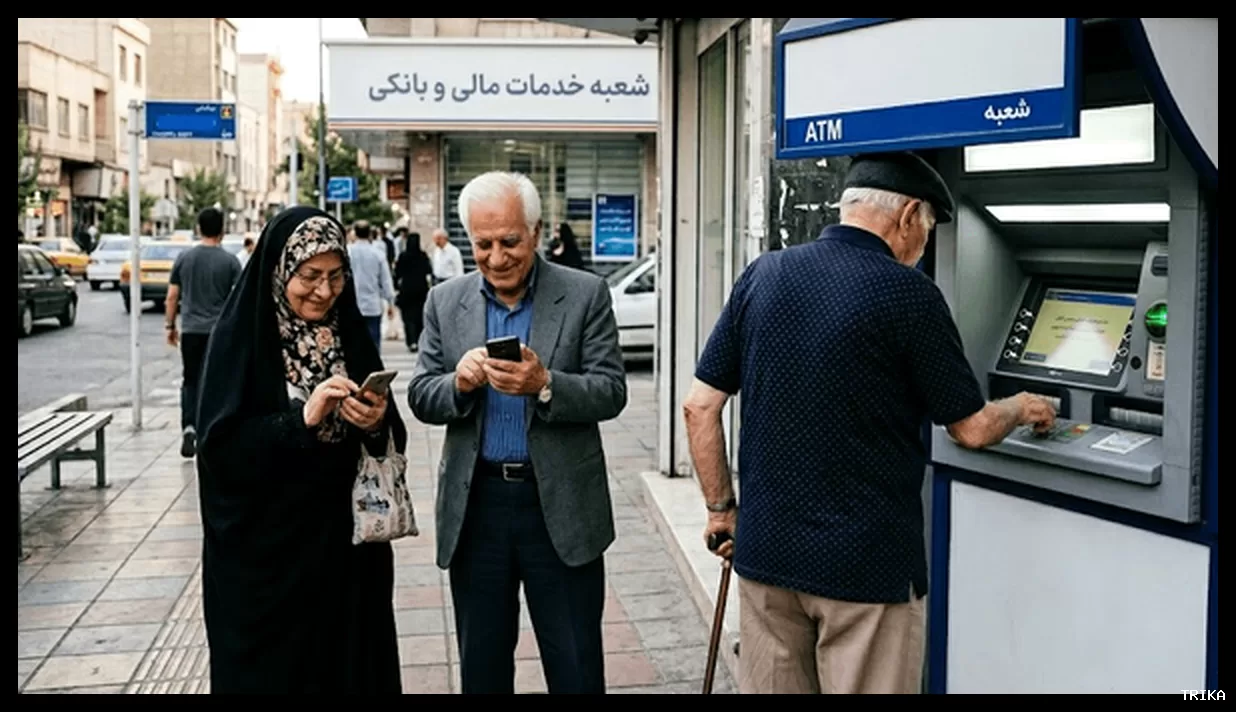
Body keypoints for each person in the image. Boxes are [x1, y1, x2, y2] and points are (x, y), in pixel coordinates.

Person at [683, 151, 1057, 695]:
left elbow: (699, 406)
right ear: (907, 216)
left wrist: (722, 511)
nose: (924, 244)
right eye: (928, 228)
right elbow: (972, 428)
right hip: (866, 573)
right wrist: (1021, 406)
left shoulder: (764, 274)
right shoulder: (909, 294)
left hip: (767, 560)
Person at [408, 171, 628, 694]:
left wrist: (545, 384)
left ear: (536, 232)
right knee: (482, 669)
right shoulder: (445, 301)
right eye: (483, 244)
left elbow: (611, 390)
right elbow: (420, 394)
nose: (497, 257)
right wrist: (458, 384)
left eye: (510, 241)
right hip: (478, 507)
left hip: (560, 507)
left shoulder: (584, 294)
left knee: (575, 666)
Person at [193, 206, 405, 694]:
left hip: (348, 561)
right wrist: (301, 420)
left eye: (335, 276)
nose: (324, 291)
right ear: (279, 270)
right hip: (268, 565)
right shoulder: (240, 340)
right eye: (309, 276)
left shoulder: (349, 335)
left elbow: (389, 435)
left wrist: (374, 423)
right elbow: (220, 452)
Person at [166, 207, 242, 458]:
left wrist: (170, 326)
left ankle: (190, 426)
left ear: (199, 228)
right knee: (218, 380)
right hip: (219, 333)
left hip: (191, 331)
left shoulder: (184, 258)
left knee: (191, 380)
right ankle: (212, 428)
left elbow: (172, 297)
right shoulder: (230, 262)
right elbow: (240, 299)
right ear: (222, 230)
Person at [346, 219, 396, 349]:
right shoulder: (378, 254)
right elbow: (386, 280)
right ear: (369, 233)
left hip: (351, 304)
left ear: (355, 233)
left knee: (353, 344)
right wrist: (390, 302)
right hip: (372, 305)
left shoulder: (347, 253)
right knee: (373, 344)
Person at [393, 231, 432, 352]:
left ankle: (411, 341)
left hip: (406, 290)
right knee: (420, 317)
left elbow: (397, 273)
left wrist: (396, 286)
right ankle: (419, 340)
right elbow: (429, 271)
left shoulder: (403, 256)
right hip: (421, 290)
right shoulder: (423, 256)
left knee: (408, 318)